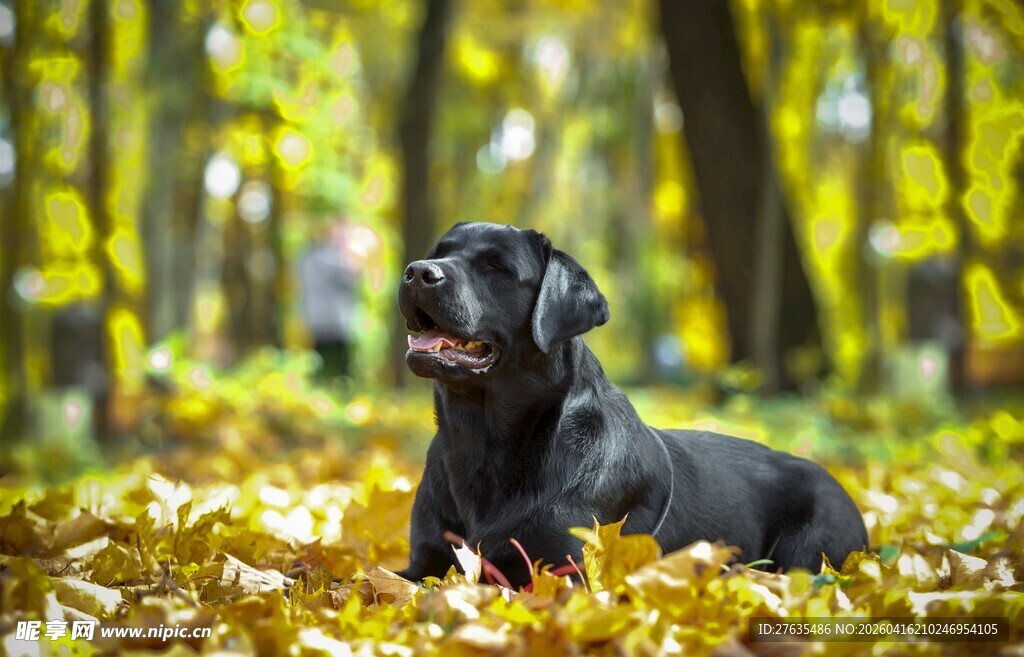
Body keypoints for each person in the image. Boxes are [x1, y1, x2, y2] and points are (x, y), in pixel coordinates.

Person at [298, 223, 359, 380]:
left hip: (315, 318)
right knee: (342, 364)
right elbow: (351, 280)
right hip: (335, 320)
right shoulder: (333, 259)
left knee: (320, 361)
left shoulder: (305, 259)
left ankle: (319, 390)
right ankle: (343, 389)